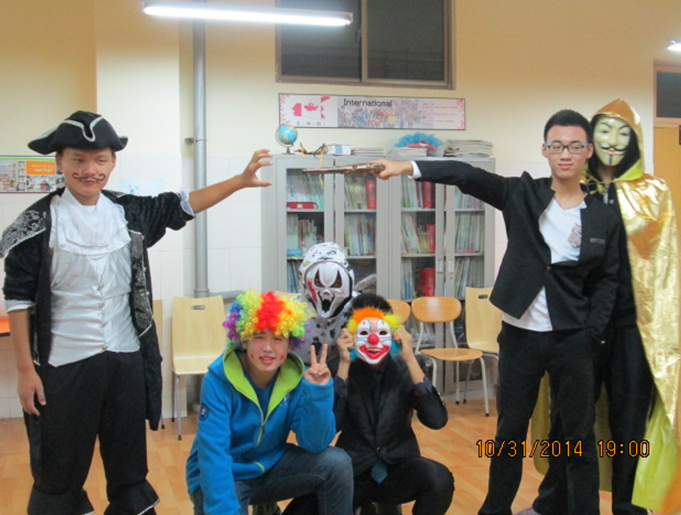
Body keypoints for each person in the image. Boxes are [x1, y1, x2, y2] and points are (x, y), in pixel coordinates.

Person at [0, 110, 273, 515]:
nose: (90, 170)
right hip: (63, 365)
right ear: (59, 161)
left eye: (100, 159)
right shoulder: (36, 224)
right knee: (58, 472)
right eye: (78, 159)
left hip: (125, 360)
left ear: (113, 162)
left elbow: (182, 205)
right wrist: (26, 370)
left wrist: (239, 180)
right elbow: (18, 299)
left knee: (129, 468)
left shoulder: (128, 213)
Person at [372, 109, 621, 515]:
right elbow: (465, 174)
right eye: (557, 146)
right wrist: (408, 167)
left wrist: (592, 332)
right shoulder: (521, 194)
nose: (566, 154)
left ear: (588, 152)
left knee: (577, 437)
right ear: (545, 150)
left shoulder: (603, 215)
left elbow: (608, 279)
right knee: (509, 434)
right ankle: (495, 510)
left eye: (575, 146)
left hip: (573, 338)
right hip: (521, 336)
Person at [524, 99, 681, 515]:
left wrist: (667, 331)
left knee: (630, 418)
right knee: (569, 417)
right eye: (604, 131)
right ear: (591, 141)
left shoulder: (654, 192)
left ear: (635, 140)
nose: (613, 141)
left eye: (622, 132)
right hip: (579, 322)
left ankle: (629, 506)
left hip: (634, 327)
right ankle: (556, 500)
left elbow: (667, 263)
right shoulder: (575, 187)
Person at [185, 290, 353, 515]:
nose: (268, 348)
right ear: (244, 340)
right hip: (225, 475)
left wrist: (318, 393)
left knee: (337, 463)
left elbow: (315, 443)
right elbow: (214, 455)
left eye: (278, 338)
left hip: (270, 467)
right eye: (259, 336)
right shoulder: (218, 380)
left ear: (290, 344)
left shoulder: (294, 376)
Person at [333, 293, 454, 514]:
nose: (373, 339)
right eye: (363, 331)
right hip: (353, 470)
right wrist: (343, 366)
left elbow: (437, 420)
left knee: (439, 479)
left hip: (398, 466)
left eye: (380, 331)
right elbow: (331, 426)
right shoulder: (340, 366)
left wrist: (410, 359)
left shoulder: (409, 365)